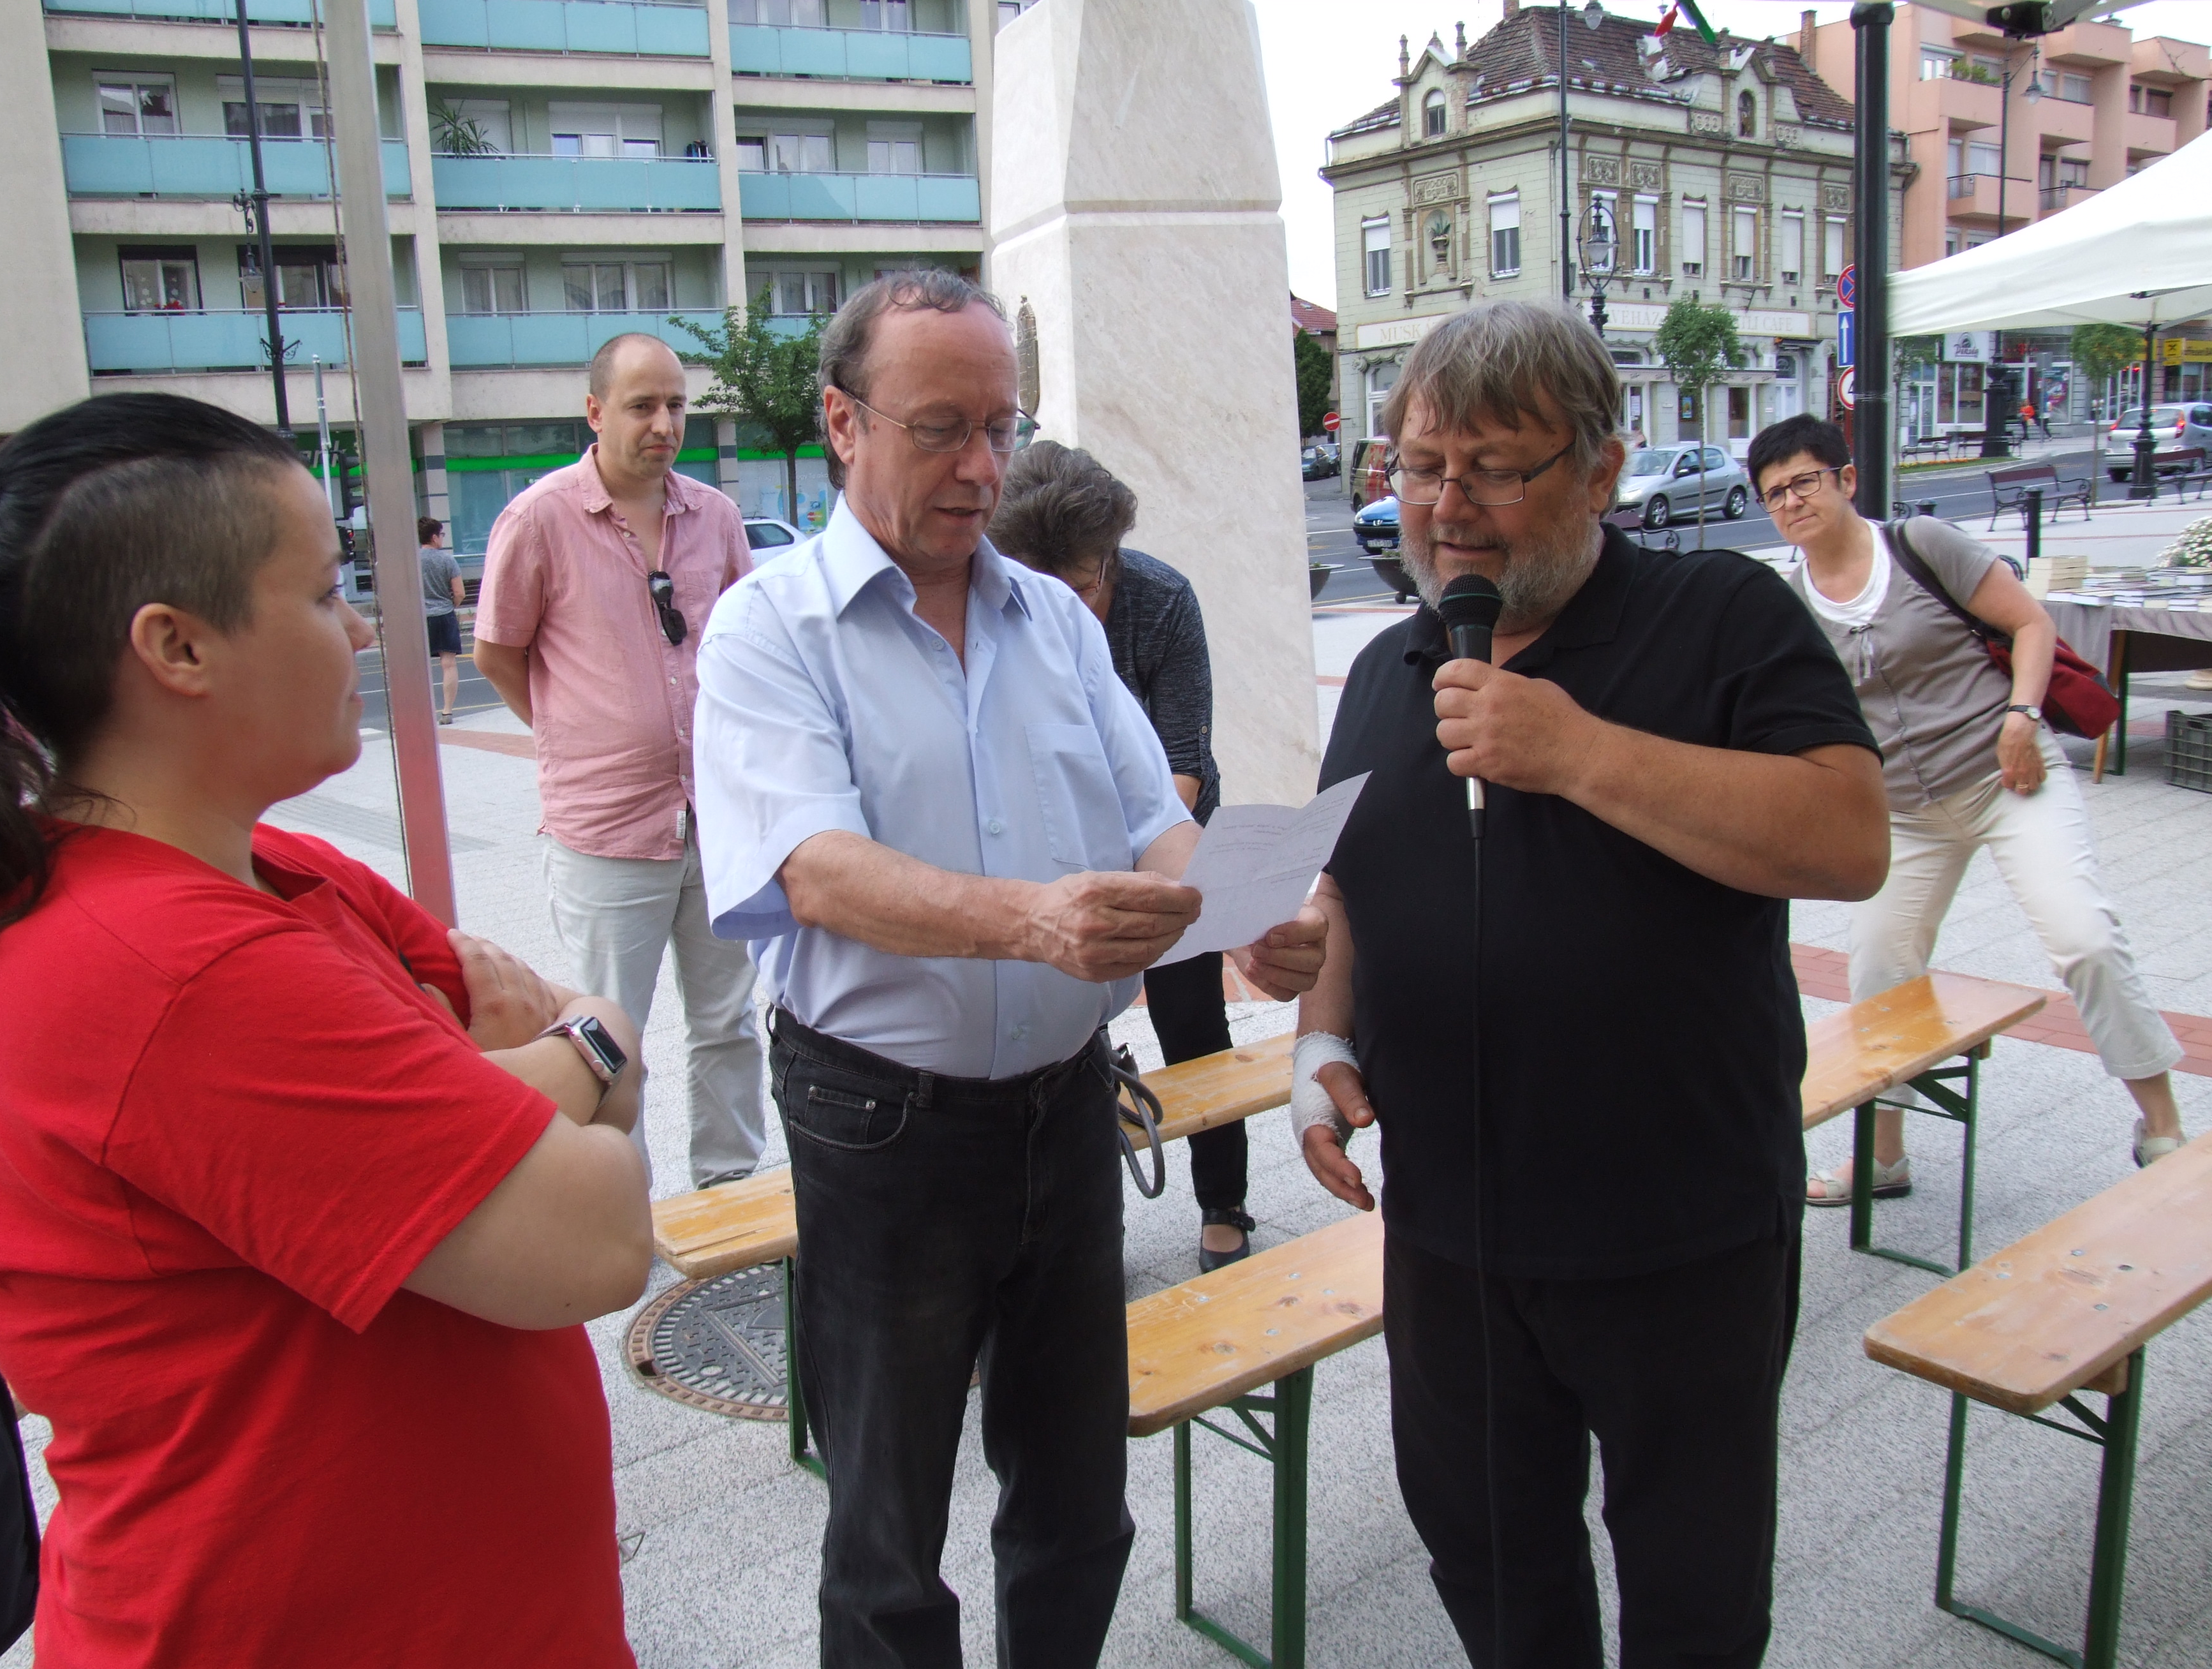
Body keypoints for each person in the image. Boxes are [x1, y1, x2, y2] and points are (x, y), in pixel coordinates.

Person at [693, 272, 1328, 1669]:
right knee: (887, 1534)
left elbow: (1153, 816)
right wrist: (1032, 922)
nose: (983, 467)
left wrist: (1239, 914)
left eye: (1002, 426)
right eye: (941, 428)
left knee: (1077, 1501)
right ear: (842, 423)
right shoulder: (769, 628)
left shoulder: (1052, 617)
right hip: (880, 1121)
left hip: (1063, 1108)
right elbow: (812, 868)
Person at [0, 393, 653, 1667]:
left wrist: (512, 1082)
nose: (357, 628)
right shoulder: (167, 972)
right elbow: (597, 1234)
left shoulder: (281, 872)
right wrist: (582, 1047)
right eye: (321, 592)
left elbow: (570, 1094)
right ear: (177, 647)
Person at [1292, 300, 1889, 1668]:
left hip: (1676, 1236)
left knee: (1691, 1595)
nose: (1450, 508)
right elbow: (1354, 893)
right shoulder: (1389, 666)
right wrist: (1318, 1043)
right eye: (1421, 467)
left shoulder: (1720, 615)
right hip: (1447, 1236)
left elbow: (1849, 839)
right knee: (1491, 1571)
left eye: (1496, 469)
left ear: (1601, 470)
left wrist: (1577, 754)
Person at [1751, 412, 2186, 1195]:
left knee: (2083, 939)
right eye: (1774, 493)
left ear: (1845, 480)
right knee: (1877, 971)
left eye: (1804, 482)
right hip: (1903, 816)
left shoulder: (1918, 545)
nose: (1791, 502)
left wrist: (2020, 717)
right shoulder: (1790, 603)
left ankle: (2161, 1125)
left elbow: (2030, 623)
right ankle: (1882, 1157)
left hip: (2006, 779)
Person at [475, 332, 768, 1190]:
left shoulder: (713, 517)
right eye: (643, 406)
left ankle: (731, 1199)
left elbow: (744, 643)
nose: (664, 424)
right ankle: (622, 1219)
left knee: (727, 1023)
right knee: (607, 1040)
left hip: (717, 819)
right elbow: (497, 651)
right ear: (595, 412)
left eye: (676, 405)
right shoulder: (539, 519)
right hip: (604, 827)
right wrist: (573, 733)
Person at [988, 441, 1255, 1272]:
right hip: (1046, 854)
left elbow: (1178, 774)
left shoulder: (1161, 599)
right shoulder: (989, 605)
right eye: (1033, 588)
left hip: (1165, 843)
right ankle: (1079, 1216)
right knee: (1061, 1043)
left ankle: (1224, 1202)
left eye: (1077, 591)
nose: (1055, 612)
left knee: (1194, 1023)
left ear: (1109, 559)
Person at [418, 515, 466, 723]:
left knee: (418, 667)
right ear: (435, 537)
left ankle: (420, 712)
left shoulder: (411, 560)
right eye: (442, 535)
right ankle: (447, 711)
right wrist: (451, 605)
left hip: (419, 617)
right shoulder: (447, 560)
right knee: (448, 664)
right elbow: (460, 593)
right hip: (444, 615)